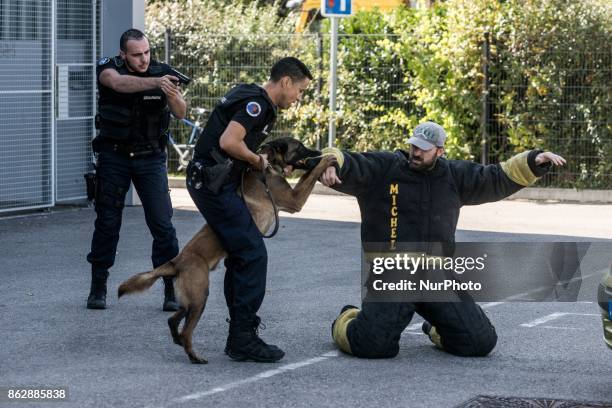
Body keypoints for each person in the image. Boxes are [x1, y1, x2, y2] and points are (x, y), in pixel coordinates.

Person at [320, 121, 567, 358]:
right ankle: (347, 318)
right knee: (372, 346)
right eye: (413, 146)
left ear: (439, 151)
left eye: (424, 149)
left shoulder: (453, 176)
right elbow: (350, 161)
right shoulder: (385, 168)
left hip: (435, 276)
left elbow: (494, 177)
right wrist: (330, 164)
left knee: (479, 342)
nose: (416, 152)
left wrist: (533, 162)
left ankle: (436, 327)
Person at [186, 57, 313, 362]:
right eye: (300, 90)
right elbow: (229, 141)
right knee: (253, 254)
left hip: (214, 181)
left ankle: (240, 335)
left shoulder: (251, 96)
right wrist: (258, 161)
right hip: (212, 184)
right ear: (285, 82)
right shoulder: (257, 105)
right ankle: (242, 338)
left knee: (243, 255)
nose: (299, 97)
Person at [86, 29, 186, 311]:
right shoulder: (108, 67)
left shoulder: (163, 72)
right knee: (107, 223)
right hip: (114, 156)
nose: (143, 59)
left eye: (147, 53)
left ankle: (170, 288)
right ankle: (98, 286)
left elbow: (180, 112)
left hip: (150, 158)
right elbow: (116, 84)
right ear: (123, 54)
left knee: (163, 225)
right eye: (136, 55)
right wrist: (156, 81)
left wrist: (170, 92)